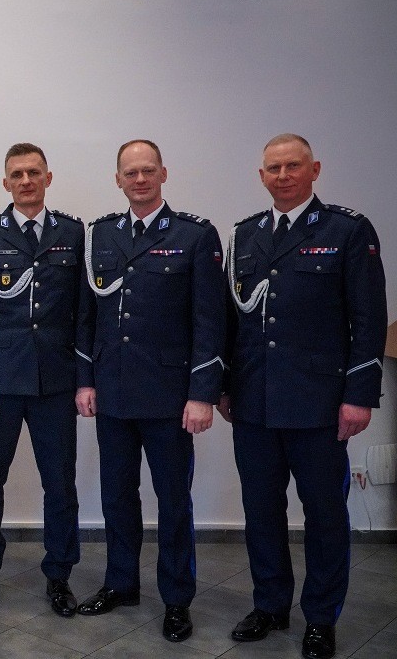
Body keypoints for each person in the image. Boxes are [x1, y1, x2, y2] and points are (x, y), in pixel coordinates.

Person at [219, 134, 386, 659]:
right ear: (261, 176)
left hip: (319, 403)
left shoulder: (346, 230)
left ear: (314, 170)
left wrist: (359, 395)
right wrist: (223, 386)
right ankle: (270, 605)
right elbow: (231, 320)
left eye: (294, 166)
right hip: (254, 401)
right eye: (274, 168)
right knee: (261, 511)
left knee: (324, 515)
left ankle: (320, 616)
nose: (283, 175)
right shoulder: (245, 234)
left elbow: (369, 319)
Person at [74, 140, 226, 642]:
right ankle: (121, 583)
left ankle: (177, 598)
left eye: (147, 171)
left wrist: (202, 392)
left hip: (169, 396)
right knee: (117, 496)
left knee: (173, 501)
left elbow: (210, 320)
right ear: (118, 179)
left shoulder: (194, 235)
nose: (139, 179)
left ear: (163, 173)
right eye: (130, 172)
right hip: (113, 391)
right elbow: (87, 316)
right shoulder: (100, 235)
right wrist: (85, 379)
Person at [0, 142, 88, 616]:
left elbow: (83, 312)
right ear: (6, 183)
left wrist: (84, 378)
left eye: (34, 172)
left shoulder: (73, 232)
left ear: (48, 178)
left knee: (61, 484)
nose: (26, 181)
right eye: (17, 174)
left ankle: (59, 574)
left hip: (55, 381)